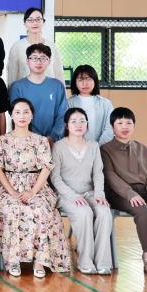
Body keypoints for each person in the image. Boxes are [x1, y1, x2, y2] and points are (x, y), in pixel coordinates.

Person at [0, 98, 72, 278]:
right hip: (8, 187)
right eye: (17, 112)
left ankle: (40, 261)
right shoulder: (1, 141)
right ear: (11, 115)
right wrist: (13, 192)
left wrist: (32, 192)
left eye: (26, 112)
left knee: (41, 210)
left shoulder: (40, 141)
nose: (22, 116)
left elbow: (46, 168)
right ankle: (13, 260)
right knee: (13, 209)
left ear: (32, 115)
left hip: (37, 186)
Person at [101, 107, 147, 276]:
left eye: (129, 123)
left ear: (134, 126)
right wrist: (130, 194)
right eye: (120, 123)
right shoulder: (105, 149)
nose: (125, 126)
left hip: (146, 191)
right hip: (120, 193)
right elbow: (110, 176)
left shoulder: (143, 148)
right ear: (112, 126)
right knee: (144, 213)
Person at [52, 108, 113, 275]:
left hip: (89, 193)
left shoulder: (93, 146)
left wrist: (99, 194)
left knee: (104, 212)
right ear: (66, 125)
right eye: (74, 121)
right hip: (66, 195)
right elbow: (55, 178)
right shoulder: (58, 147)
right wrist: (72, 196)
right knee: (84, 212)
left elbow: (98, 173)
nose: (78, 125)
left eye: (82, 121)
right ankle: (85, 260)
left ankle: (102, 262)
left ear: (87, 124)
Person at [8, 43, 69, 142]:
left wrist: (52, 138)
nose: (39, 62)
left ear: (49, 61)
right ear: (27, 61)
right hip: (26, 141)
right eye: (34, 58)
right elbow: (16, 116)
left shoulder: (57, 86)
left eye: (43, 58)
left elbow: (62, 115)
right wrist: (34, 139)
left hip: (53, 141)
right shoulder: (17, 87)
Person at [7, 7, 65, 87]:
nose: (34, 23)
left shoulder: (52, 46)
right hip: (25, 92)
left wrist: (62, 93)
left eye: (38, 19)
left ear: (43, 22)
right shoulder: (17, 47)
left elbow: (59, 74)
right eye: (30, 20)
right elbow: (12, 76)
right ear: (25, 23)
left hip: (49, 91)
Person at [67, 65, 115, 144]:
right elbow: (66, 128)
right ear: (75, 83)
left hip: (101, 147)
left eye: (88, 79)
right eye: (80, 80)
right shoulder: (69, 103)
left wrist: (97, 147)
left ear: (95, 81)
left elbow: (109, 129)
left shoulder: (106, 103)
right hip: (75, 147)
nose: (84, 83)